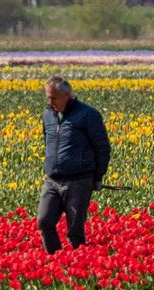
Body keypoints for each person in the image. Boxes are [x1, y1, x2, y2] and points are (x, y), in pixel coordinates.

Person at [38, 76, 111, 254]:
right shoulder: (48, 115)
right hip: (52, 179)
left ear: (67, 96)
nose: (50, 101)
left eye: (53, 97)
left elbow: (103, 147)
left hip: (79, 180)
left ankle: (80, 266)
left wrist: (98, 177)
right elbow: (48, 141)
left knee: (75, 231)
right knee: (44, 221)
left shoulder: (88, 115)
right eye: (48, 97)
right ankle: (57, 259)